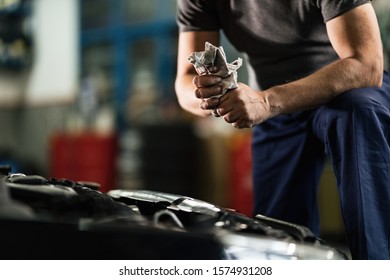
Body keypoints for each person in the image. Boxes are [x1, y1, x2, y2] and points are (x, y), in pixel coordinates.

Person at [174, 0, 390, 260]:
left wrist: (266, 102)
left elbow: (367, 64)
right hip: (273, 111)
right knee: (276, 237)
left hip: (344, 91)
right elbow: (185, 82)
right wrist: (212, 96)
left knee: (358, 111)